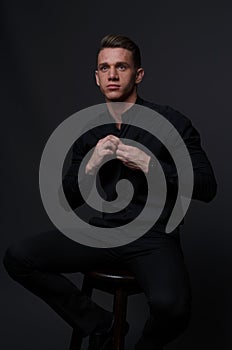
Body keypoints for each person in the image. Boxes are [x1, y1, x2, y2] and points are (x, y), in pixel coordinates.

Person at [3, 34, 217, 350]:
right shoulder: (88, 130)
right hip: (103, 232)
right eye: (105, 68)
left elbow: (208, 187)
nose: (112, 75)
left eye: (121, 67)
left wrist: (150, 164)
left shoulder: (172, 122)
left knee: (173, 309)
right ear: (97, 77)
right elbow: (67, 200)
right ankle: (101, 325)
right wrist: (90, 167)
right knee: (18, 257)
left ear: (138, 74)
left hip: (154, 236)